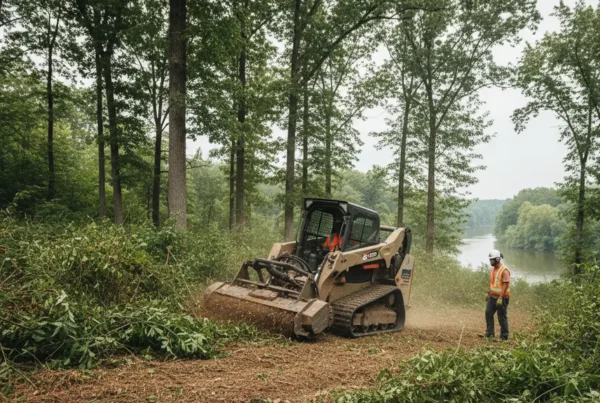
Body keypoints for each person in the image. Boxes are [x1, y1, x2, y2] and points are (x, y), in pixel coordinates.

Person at [484, 249, 510, 341]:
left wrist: (501, 297)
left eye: (492, 260)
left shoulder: (504, 270)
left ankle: (504, 337)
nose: (491, 261)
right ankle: (489, 333)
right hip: (492, 297)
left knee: (501, 317)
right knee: (488, 313)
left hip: (501, 298)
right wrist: (489, 293)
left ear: (498, 259)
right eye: (490, 260)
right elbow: (492, 283)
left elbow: (505, 284)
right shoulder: (493, 269)